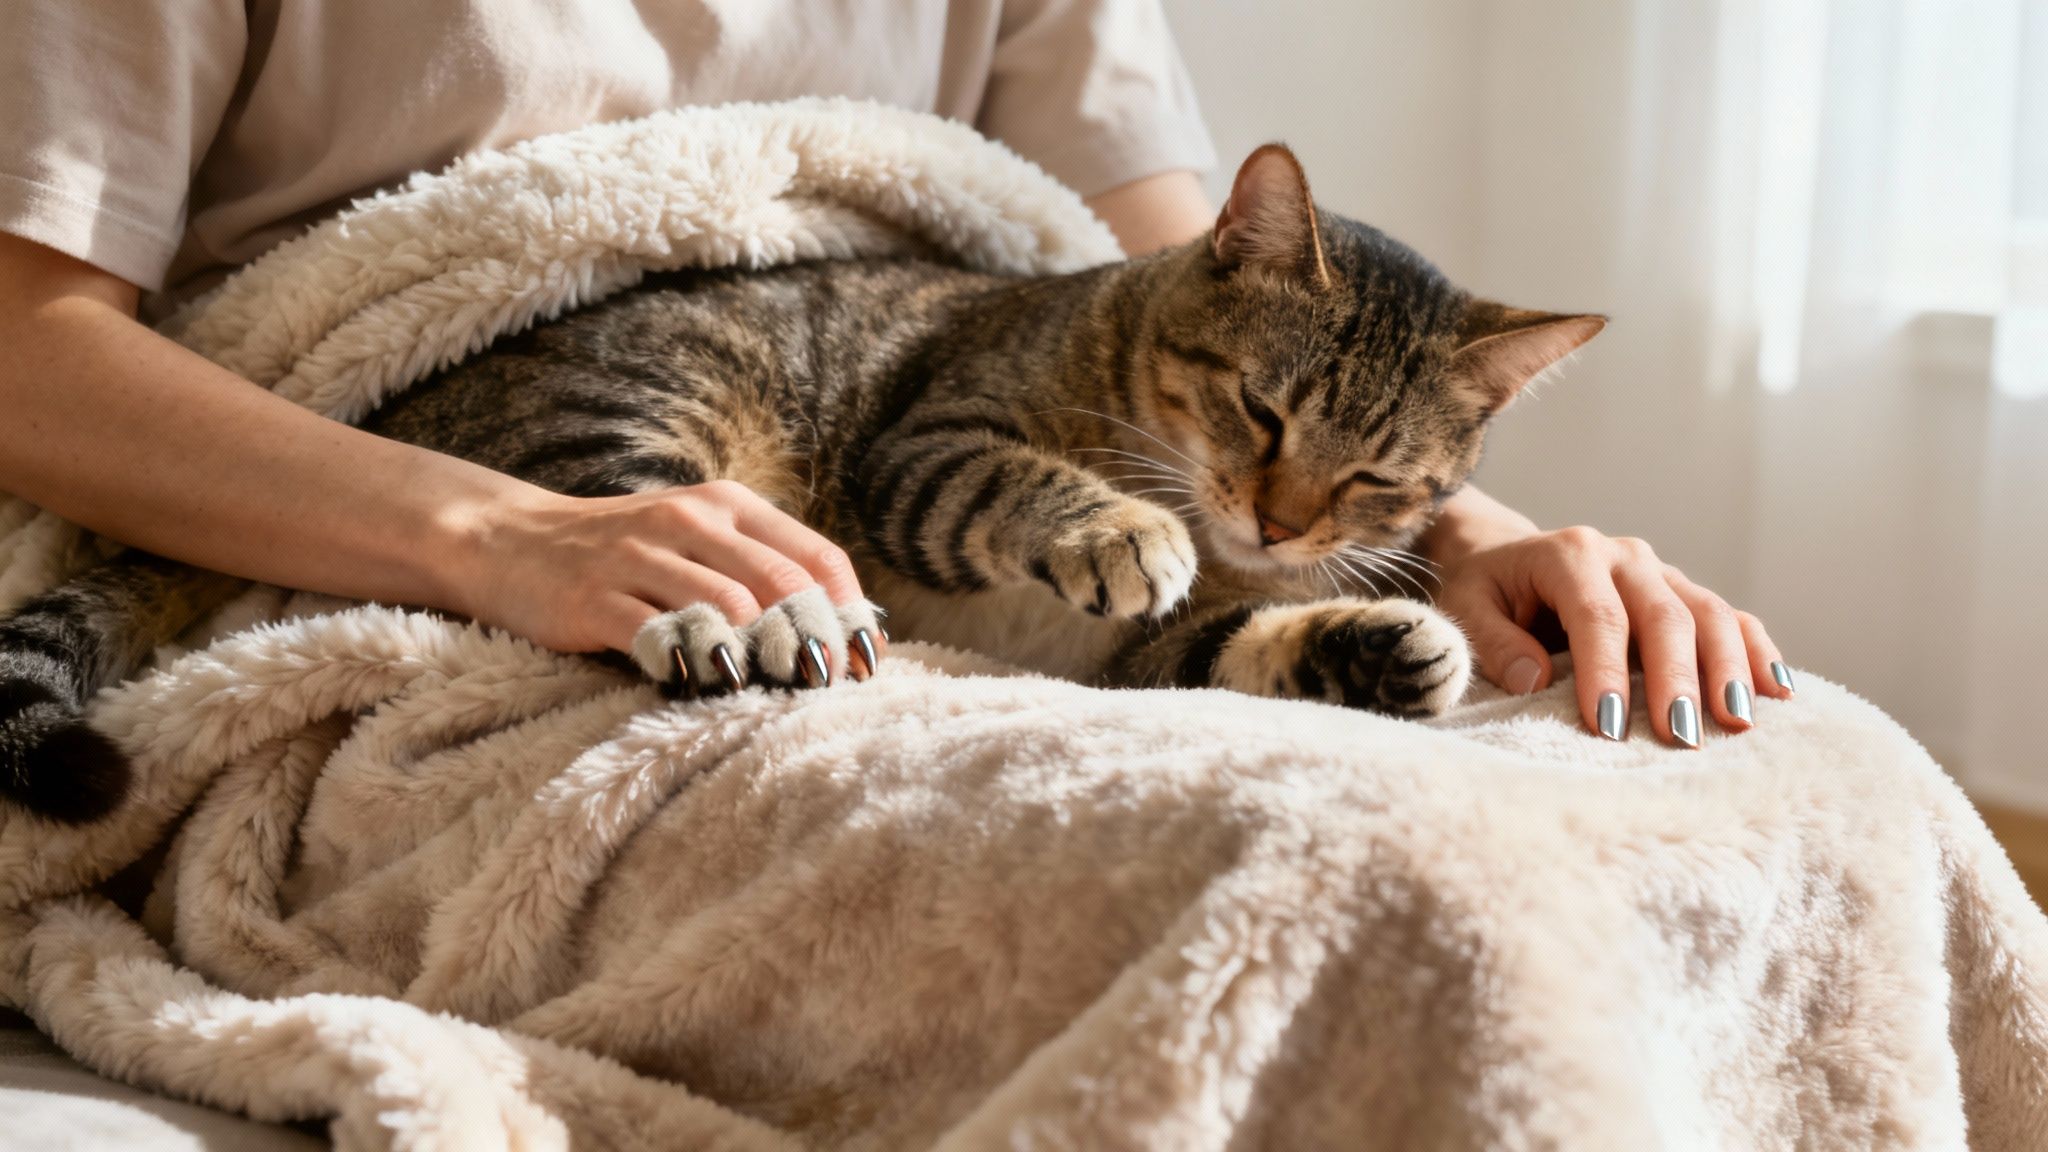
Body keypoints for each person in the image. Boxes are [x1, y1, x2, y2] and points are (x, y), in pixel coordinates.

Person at [0, 0, 1786, 750]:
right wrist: (504, 533)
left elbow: (1170, 290)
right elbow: (24, 345)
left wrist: (1463, 527)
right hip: (375, 512)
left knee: (1762, 797)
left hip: (902, 517)